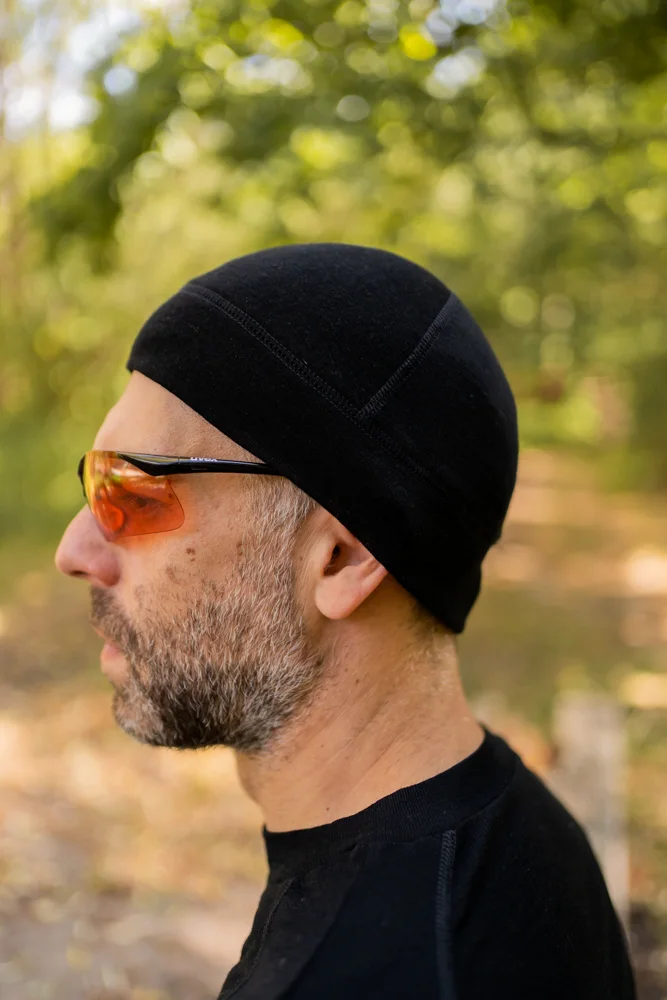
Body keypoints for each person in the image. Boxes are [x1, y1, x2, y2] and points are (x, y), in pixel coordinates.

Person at [55, 243, 636, 999]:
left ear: (341, 559)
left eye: (133, 494)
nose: (74, 552)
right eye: (95, 480)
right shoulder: (517, 833)